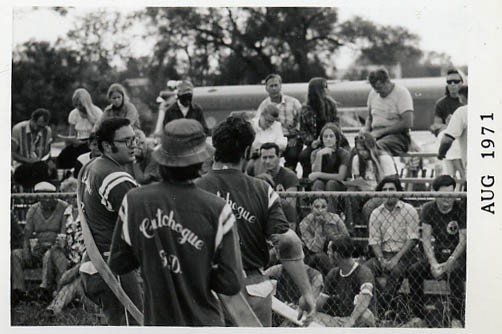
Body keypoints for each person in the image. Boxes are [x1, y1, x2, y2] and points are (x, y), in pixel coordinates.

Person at [109, 119, 243, 326]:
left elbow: (119, 263)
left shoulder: (134, 201)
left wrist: (154, 255)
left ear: (162, 159)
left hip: (158, 321)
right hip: (205, 322)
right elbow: (231, 284)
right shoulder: (217, 209)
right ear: (200, 162)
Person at [195, 116, 315, 326]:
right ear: (248, 151)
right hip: (251, 288)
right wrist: (306, 292)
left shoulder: (194, 189)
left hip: (205, 289)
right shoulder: (262, 190)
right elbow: (287, 243)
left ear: (215, 147)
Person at [77, 117, 143, 325]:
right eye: (126, 141)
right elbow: (145, 225)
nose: (134, 145)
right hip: (115, 269)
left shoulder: (91, 166)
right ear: (107, 145)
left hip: (94, 262)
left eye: (134, 139)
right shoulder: (116, 179)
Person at [407, 175, 466, 327]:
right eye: (443, 194)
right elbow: (426, 239)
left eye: (451, 194)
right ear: (435, 193)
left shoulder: (460, 208)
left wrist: (450, 262)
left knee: (456, 272)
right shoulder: (428, 208)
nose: (448, 198)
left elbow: (463, 239)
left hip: (457, 255)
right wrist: (433, 263)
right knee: (414, 271)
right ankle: (418, 316)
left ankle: (455, 318)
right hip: (439, 253)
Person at [364, 176, 419, 316]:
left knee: (396, 270)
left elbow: (412, 239)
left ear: (399, 192)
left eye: (392, 189)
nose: (388, 192)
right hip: (383, 254)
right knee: (365, 269)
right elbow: (374, 240)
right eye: (385, 189)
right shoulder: (376, 213)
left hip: (405, 255)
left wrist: (396, 259)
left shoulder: (409, 210)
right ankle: (377, 306)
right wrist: (381, 259)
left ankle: (383, 308)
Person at [11, 182, 68, 303]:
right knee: (16, 254)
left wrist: (52, 245)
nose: (48, 200)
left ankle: (44, 290)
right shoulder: (33, 210)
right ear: (38, 196)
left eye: (52, 196)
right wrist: (26, 251)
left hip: (56, 249)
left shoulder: (63, 207)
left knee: (49, 254)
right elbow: (26, 235)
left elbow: (63, 235)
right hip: (38, 248)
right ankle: (19, 292)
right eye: (44, 196)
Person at [45, 177, 86, 314]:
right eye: (67, 196)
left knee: (69, 281)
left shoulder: (86, 209)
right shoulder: (67, 211)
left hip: (84, 256)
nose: (70, 200)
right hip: (70, 253)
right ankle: (53, 293)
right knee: (53, 252)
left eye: (73, 195)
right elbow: (63, 233)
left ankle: (55, 301)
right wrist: (61, 242)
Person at [315, 236, 376, 327]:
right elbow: (320, 302)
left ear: (336, 255)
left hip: (358, 319)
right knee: (314, 316)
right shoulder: (333, 273)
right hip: (341, 320)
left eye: (329, 250)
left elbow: (365, 298)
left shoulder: (364, 272)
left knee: (366, 316)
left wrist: (351, 320)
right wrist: (309, 310)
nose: (327, 253)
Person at [298, 77, 348, 178]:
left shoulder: (331, 105)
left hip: (333, 138)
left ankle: (344, 177)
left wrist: (332, 134)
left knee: (346, 152)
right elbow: (303, 131)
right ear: (318, 90)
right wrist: (311, 142)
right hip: (316, 142)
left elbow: (336, 123)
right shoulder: (305, 109)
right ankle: (308, 182)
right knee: (304, 156)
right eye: (325, 87)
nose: (328, 90)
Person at [362, 68, 414, 156]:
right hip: (375, 134)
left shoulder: (401, 93)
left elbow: (407, 122)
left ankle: (383, 168)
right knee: (358, 150)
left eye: (379, 88)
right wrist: (366, 131)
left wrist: (381, 132)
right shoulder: (373, 94)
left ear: (387, 81)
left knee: (377, 148)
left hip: (397, 136)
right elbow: (370, 118)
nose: (377, 91)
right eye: (374, 89)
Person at [256, 74, 303, 171]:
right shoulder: (264, 106)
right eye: (271, 86)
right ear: (266, 88)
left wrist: (296, 136)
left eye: (276, 85)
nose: (274, 89)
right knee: (266, 154)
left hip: (291, 137)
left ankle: (289, 175)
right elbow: (259, 124)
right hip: (272, 137)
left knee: (292, 154)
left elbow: (301, 121)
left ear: (280, 86)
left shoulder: (293, 102)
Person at [299, 197, 349, 276]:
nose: (320, 210)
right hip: (312, 256)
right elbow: (316, 249)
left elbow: (346, 239)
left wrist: (331, 235)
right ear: (311, 206)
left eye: (323, 207)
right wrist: (319, 227)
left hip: (334, 251)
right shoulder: (304, 223)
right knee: (320, 256)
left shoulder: (335, 218)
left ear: (327, 208)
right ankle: (336, 276)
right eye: (317, 207)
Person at [431, 70, 466, 180]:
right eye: (449, 82)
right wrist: (451, 125)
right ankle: (456, 178)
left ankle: (459, 178)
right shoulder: (441, 103)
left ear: (462, 82)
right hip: (451, 141)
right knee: (447, 137)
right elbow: (436, 125)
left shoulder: (469, 100)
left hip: (465, 140)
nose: (452, 85)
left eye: (456, 81)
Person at [309, 123, 351, 213]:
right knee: (317, 183)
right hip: (321, 184)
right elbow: (314, 175)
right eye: (325, 136)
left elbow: (340, 176)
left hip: (338, 186)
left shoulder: (344, 153)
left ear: (336, 138)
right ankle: (318, 214)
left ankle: (331, 216)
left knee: (331, 183)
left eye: (331, 136)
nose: (328, 139)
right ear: (321, 139)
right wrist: (319, 155)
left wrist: (319, 174)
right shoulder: (315, 153)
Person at [56, 88, 103, 170]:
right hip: (77, 142)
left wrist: (89, 117)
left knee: (82, 153)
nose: (78, 107)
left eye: (80, 105)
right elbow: (72, 134)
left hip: (91, 142)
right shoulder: (73, 114)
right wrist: (71, 142)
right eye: (76, 105)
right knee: (63, 155)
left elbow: (99, 133)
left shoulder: (97, 112)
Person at [11, 108, 53, 189]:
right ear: (32, 120)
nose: (40, 129)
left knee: (43, 169)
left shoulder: (47, 131)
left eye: (43, 127)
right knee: (35, 170)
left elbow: (47, 152)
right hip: (21, 165)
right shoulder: (18, 129)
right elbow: (12, 153)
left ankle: (40, 194)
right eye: (38, 126)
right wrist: (29, 161)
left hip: (39, 165)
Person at [438, 85, 468, 173]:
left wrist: (441, 154)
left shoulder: (462, 111)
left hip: (474, 168)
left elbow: (447, 140)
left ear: (462, 97)